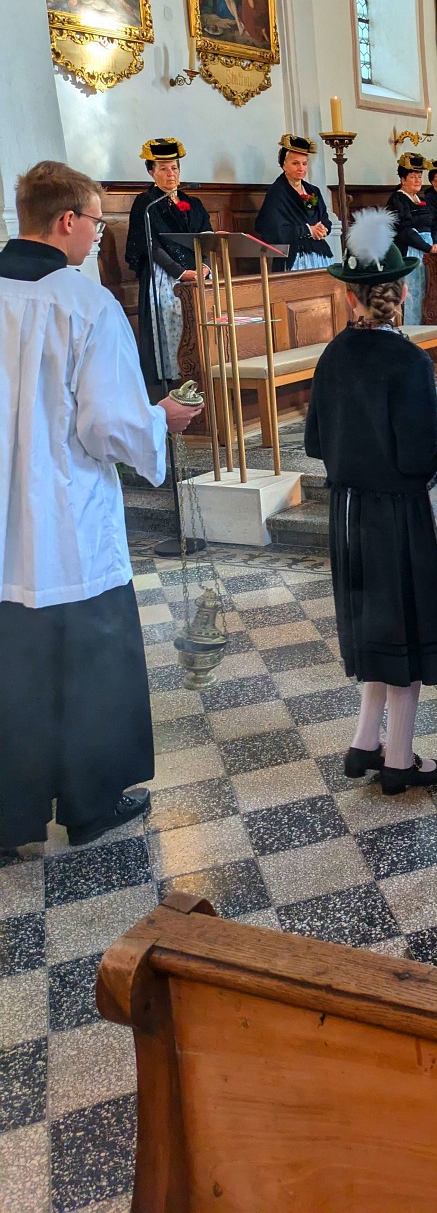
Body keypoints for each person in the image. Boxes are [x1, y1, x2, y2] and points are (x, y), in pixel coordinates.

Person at [0, 161, 199, 849]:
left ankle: (8, 816)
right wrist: (160, 419)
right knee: (87, 660)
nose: (96, 235)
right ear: (66, 221)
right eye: (94, 222)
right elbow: (108, 424)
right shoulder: (85, 305)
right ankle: (90, 803)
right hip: (63, 522)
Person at [304, 208, 437, 795]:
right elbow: (419, 457)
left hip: (349, 512)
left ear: (351, 297)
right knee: (406, 634)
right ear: (404, 293)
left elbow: (314, 442)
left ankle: (366, 742)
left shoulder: (334, 354)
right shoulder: (410, 361)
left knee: (376, 630)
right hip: (400, 515)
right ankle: (400, 759)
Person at [124, 138, 212, 395]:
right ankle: (175, 383)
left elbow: (208, 237)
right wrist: (180, 272)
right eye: (163, 169)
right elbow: (149, 244)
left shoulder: (193, 203)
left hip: (199, 274)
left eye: (174, 168)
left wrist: (205, 267)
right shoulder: (146, 203)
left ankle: (205, 375)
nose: (170, 173)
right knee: (174, 331)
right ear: (151, 172)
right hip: (165, 275)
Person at [254, 136, 333, 271]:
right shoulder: (277, 192)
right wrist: (308, 230)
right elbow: (271, 229)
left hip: (320, 255)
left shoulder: (312, 191)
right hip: (294, 257)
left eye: (304, 163)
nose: (301, 168)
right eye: (295, 163)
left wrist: (323, 229)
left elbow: (324, 219)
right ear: (284, 165)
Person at [386, 152, 437, 326]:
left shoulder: (421, 199)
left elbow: (434, 225)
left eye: (419, 176)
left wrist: (436, 244)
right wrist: (427, 247)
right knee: (412, 295)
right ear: (403, 179)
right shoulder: (398, 199)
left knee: (427, 293)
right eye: (413, 176)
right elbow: (405, 231)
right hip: (410, 252)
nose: (417, 180)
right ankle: (411, 329)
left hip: (428, 251)